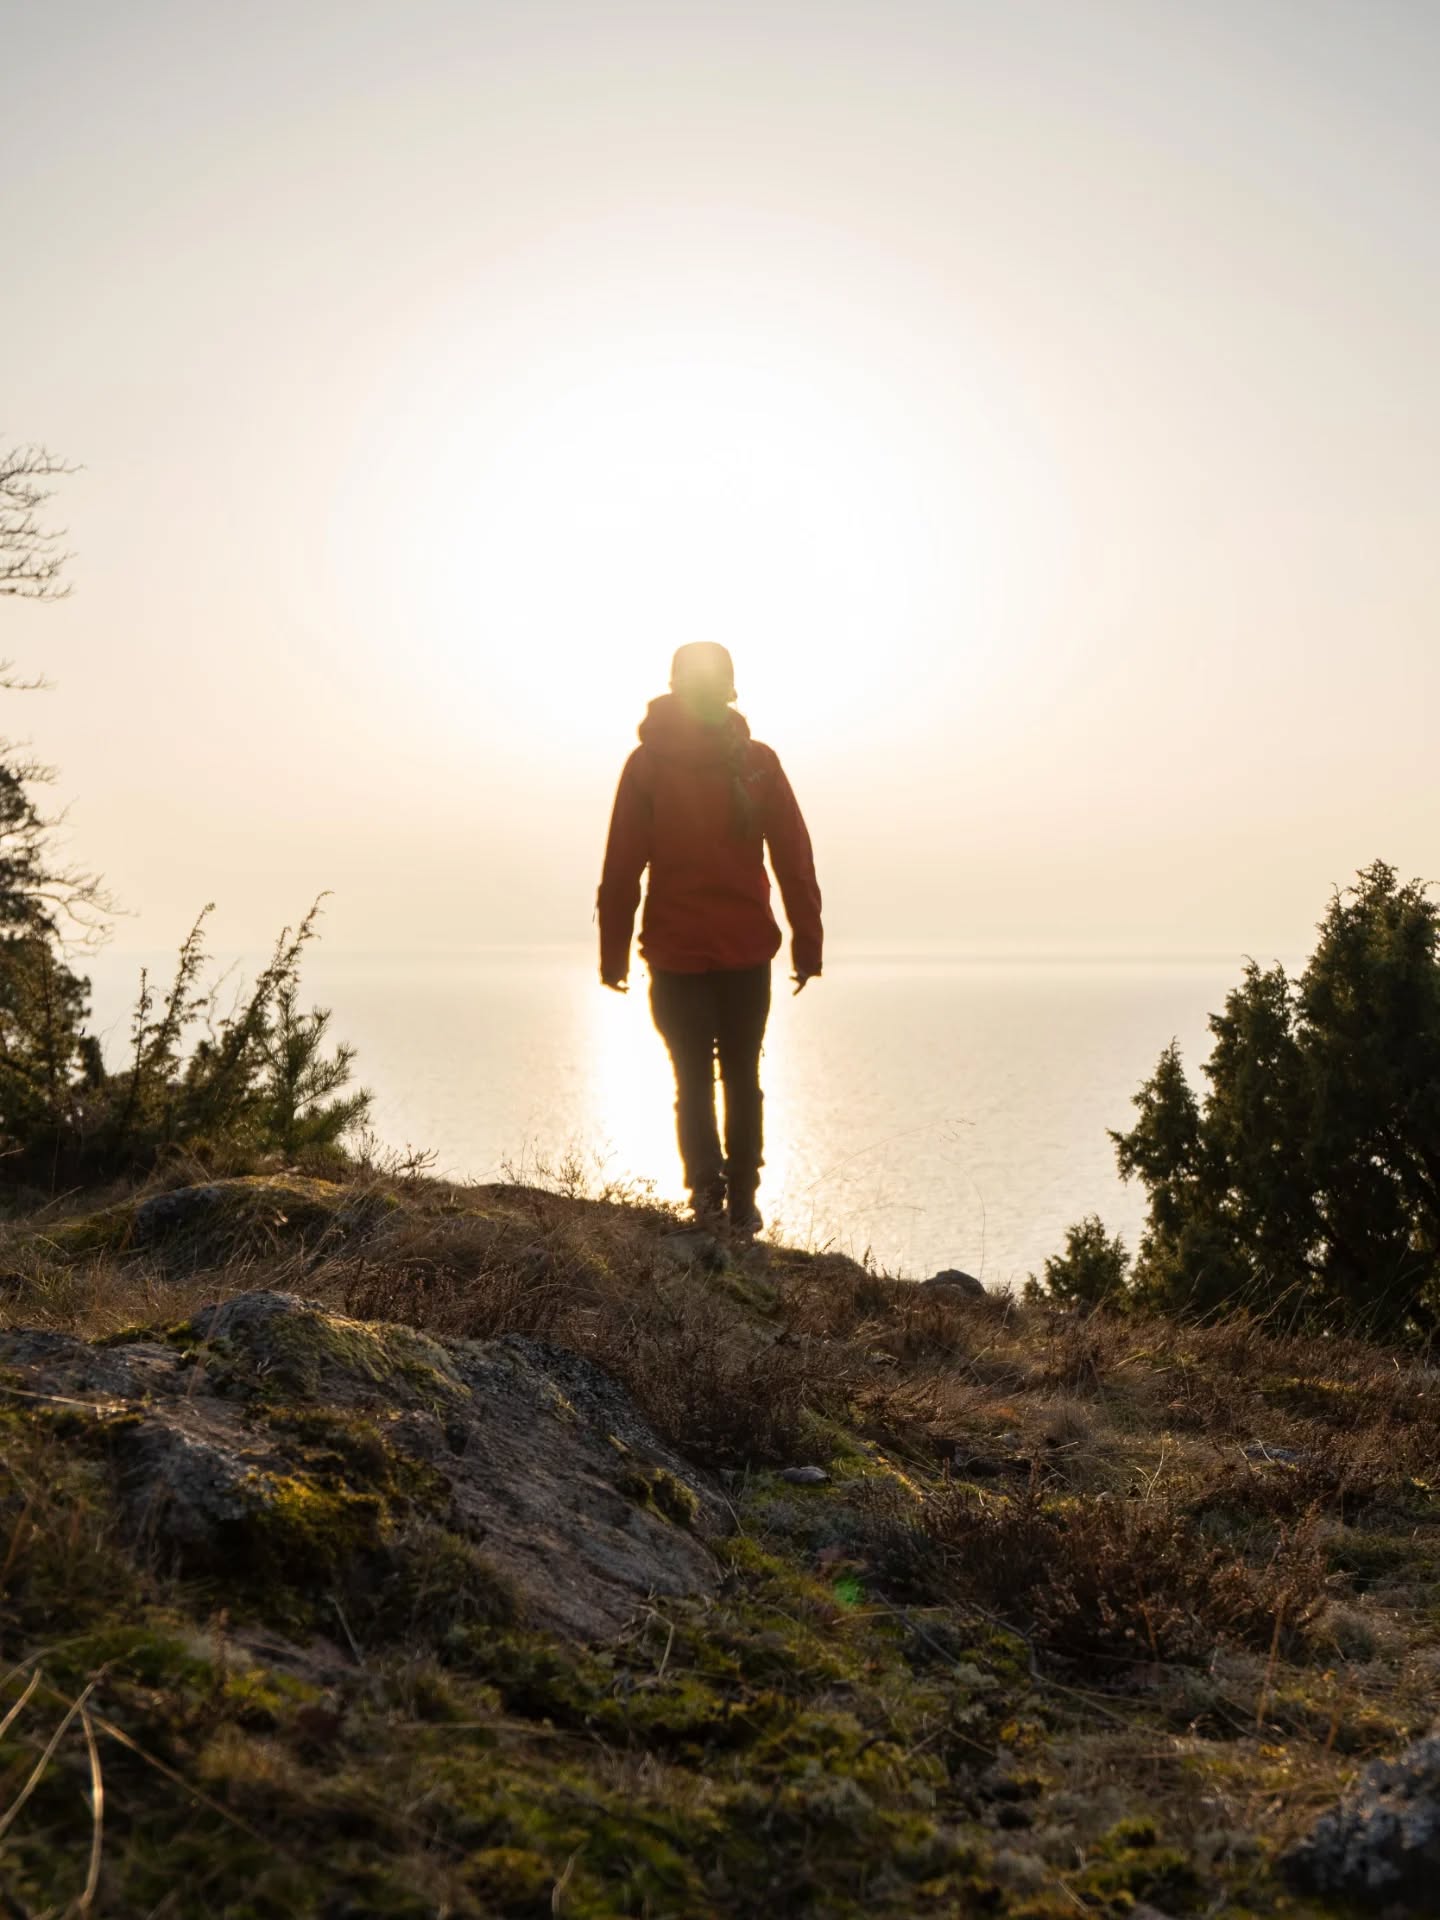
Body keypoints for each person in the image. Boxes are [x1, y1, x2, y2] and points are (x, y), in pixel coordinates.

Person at [597, 643, 823, 1235]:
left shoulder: (648, 765)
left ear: (673, 687)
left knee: (693, 1078)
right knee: (742, 1075)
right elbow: (795, 862)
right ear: (730, 690)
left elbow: (622, 868)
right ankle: (742, 1201)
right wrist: (807, 945)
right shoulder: (757, 763)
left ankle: (706, 1193)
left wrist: (614, 956)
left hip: (675, 953)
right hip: (742, 949)